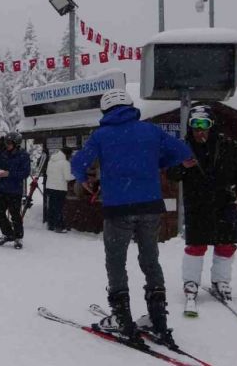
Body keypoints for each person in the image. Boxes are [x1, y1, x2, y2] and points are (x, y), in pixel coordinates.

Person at [71, 89, 193, 345]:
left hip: (118, 208)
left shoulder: (101, 135)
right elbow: (182, 152)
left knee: (116, 261)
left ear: (105, 111)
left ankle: (122, 319)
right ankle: (159, 320)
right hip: (150, 206)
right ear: (129, 105)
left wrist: (85, 181)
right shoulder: (150, 130)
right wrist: (159, 163)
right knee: (150, 260)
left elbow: (79, 163)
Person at [166, 104, 237, 309]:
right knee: (196, 245)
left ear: (212, 125)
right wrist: (181, 166)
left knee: (226, 245)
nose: (199, 130)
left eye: (204, 124)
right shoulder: (183, 147)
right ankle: (191, 281)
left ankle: (221, 280)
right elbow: (170, 174)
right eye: (195, 124)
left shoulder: (228, 145)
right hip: (198, 203)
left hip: (225, 202)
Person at [0, 132, 30, 249]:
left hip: (14, 190)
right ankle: (8, 234)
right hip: (2, 189)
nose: (7, 145)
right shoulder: (3, 154)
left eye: (9, 143)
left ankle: (18, 237)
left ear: (16, 143)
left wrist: (9, 174)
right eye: (6, 142)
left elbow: (25, 173)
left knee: (15, 214)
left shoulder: (23, 155)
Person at [45, 147, 74, 233]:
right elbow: (68, 177)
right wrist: (76, 175)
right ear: (67, 154)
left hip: (50, 187)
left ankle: (51, 225)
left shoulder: (51, 161)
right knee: (59, 207)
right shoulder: (65, 163)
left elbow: (47, 173)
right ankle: (59, 226)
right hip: (60, 188)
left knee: (52, 206)